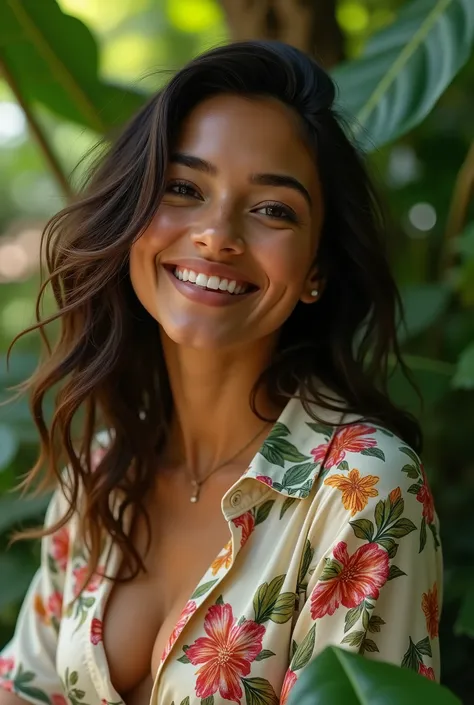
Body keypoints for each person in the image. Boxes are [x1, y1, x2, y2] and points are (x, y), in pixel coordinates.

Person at [0, 40, 442, 705]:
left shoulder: (362, 488)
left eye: (273, 209)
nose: (216, 233)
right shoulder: (99, 474)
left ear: (316, 269)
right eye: (183, 188)